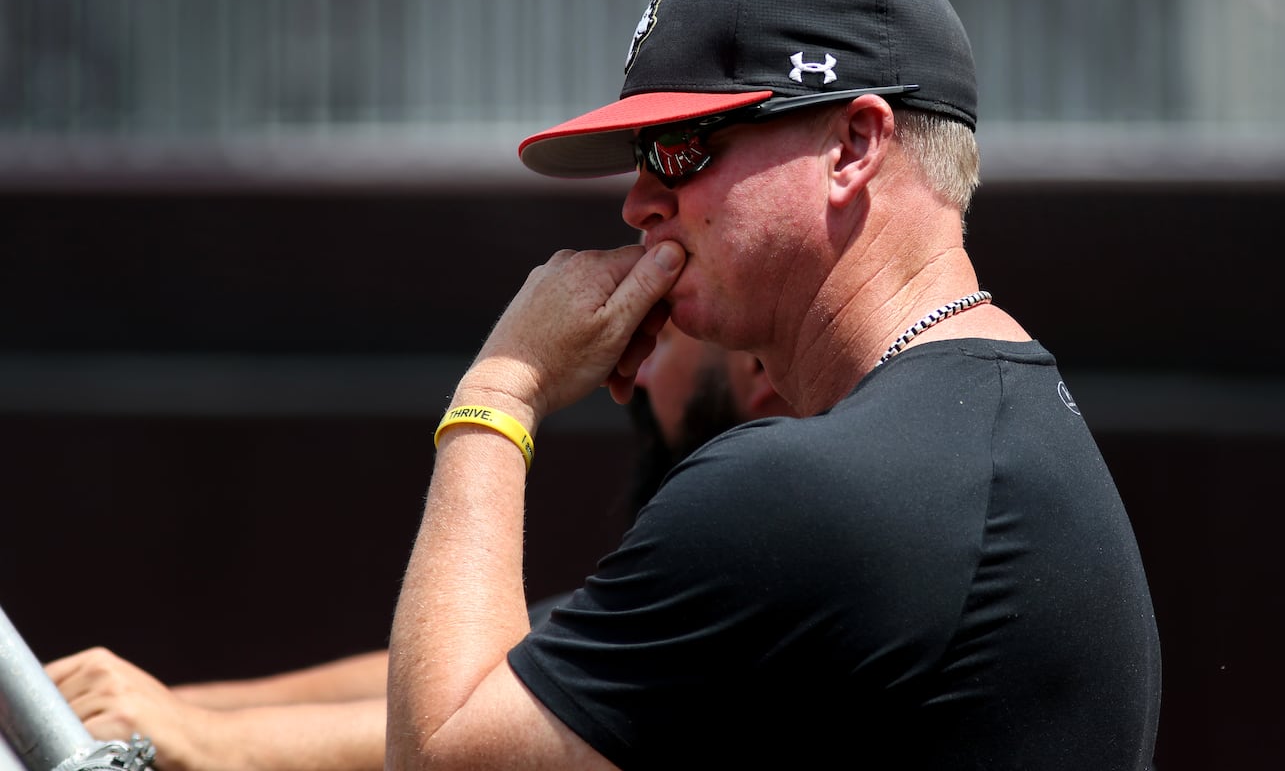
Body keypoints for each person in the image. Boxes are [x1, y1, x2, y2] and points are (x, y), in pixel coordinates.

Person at [385, 0, 1162, 770]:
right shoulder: (1012, 419)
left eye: (679, 146)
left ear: (853, 146)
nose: (639, 203)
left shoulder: (815, 490)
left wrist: (505, 384)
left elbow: (438, 754)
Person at [43, 329, 791, 771]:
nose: (636, 366)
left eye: (666, 334)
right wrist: (168, 707)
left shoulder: (770, 514)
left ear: (758, 368)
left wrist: (503, 385)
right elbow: (534, 653)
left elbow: (480, 735)